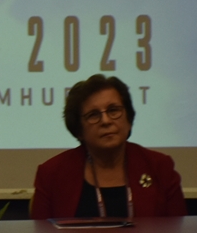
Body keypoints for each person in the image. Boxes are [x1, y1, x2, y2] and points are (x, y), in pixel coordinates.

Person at [30, 74, 185, 219]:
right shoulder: (52, 174)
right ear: (79, 130)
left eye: (113, 110)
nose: (106, 121)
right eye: (93, 115)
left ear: (129, 120)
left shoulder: (160, 167)